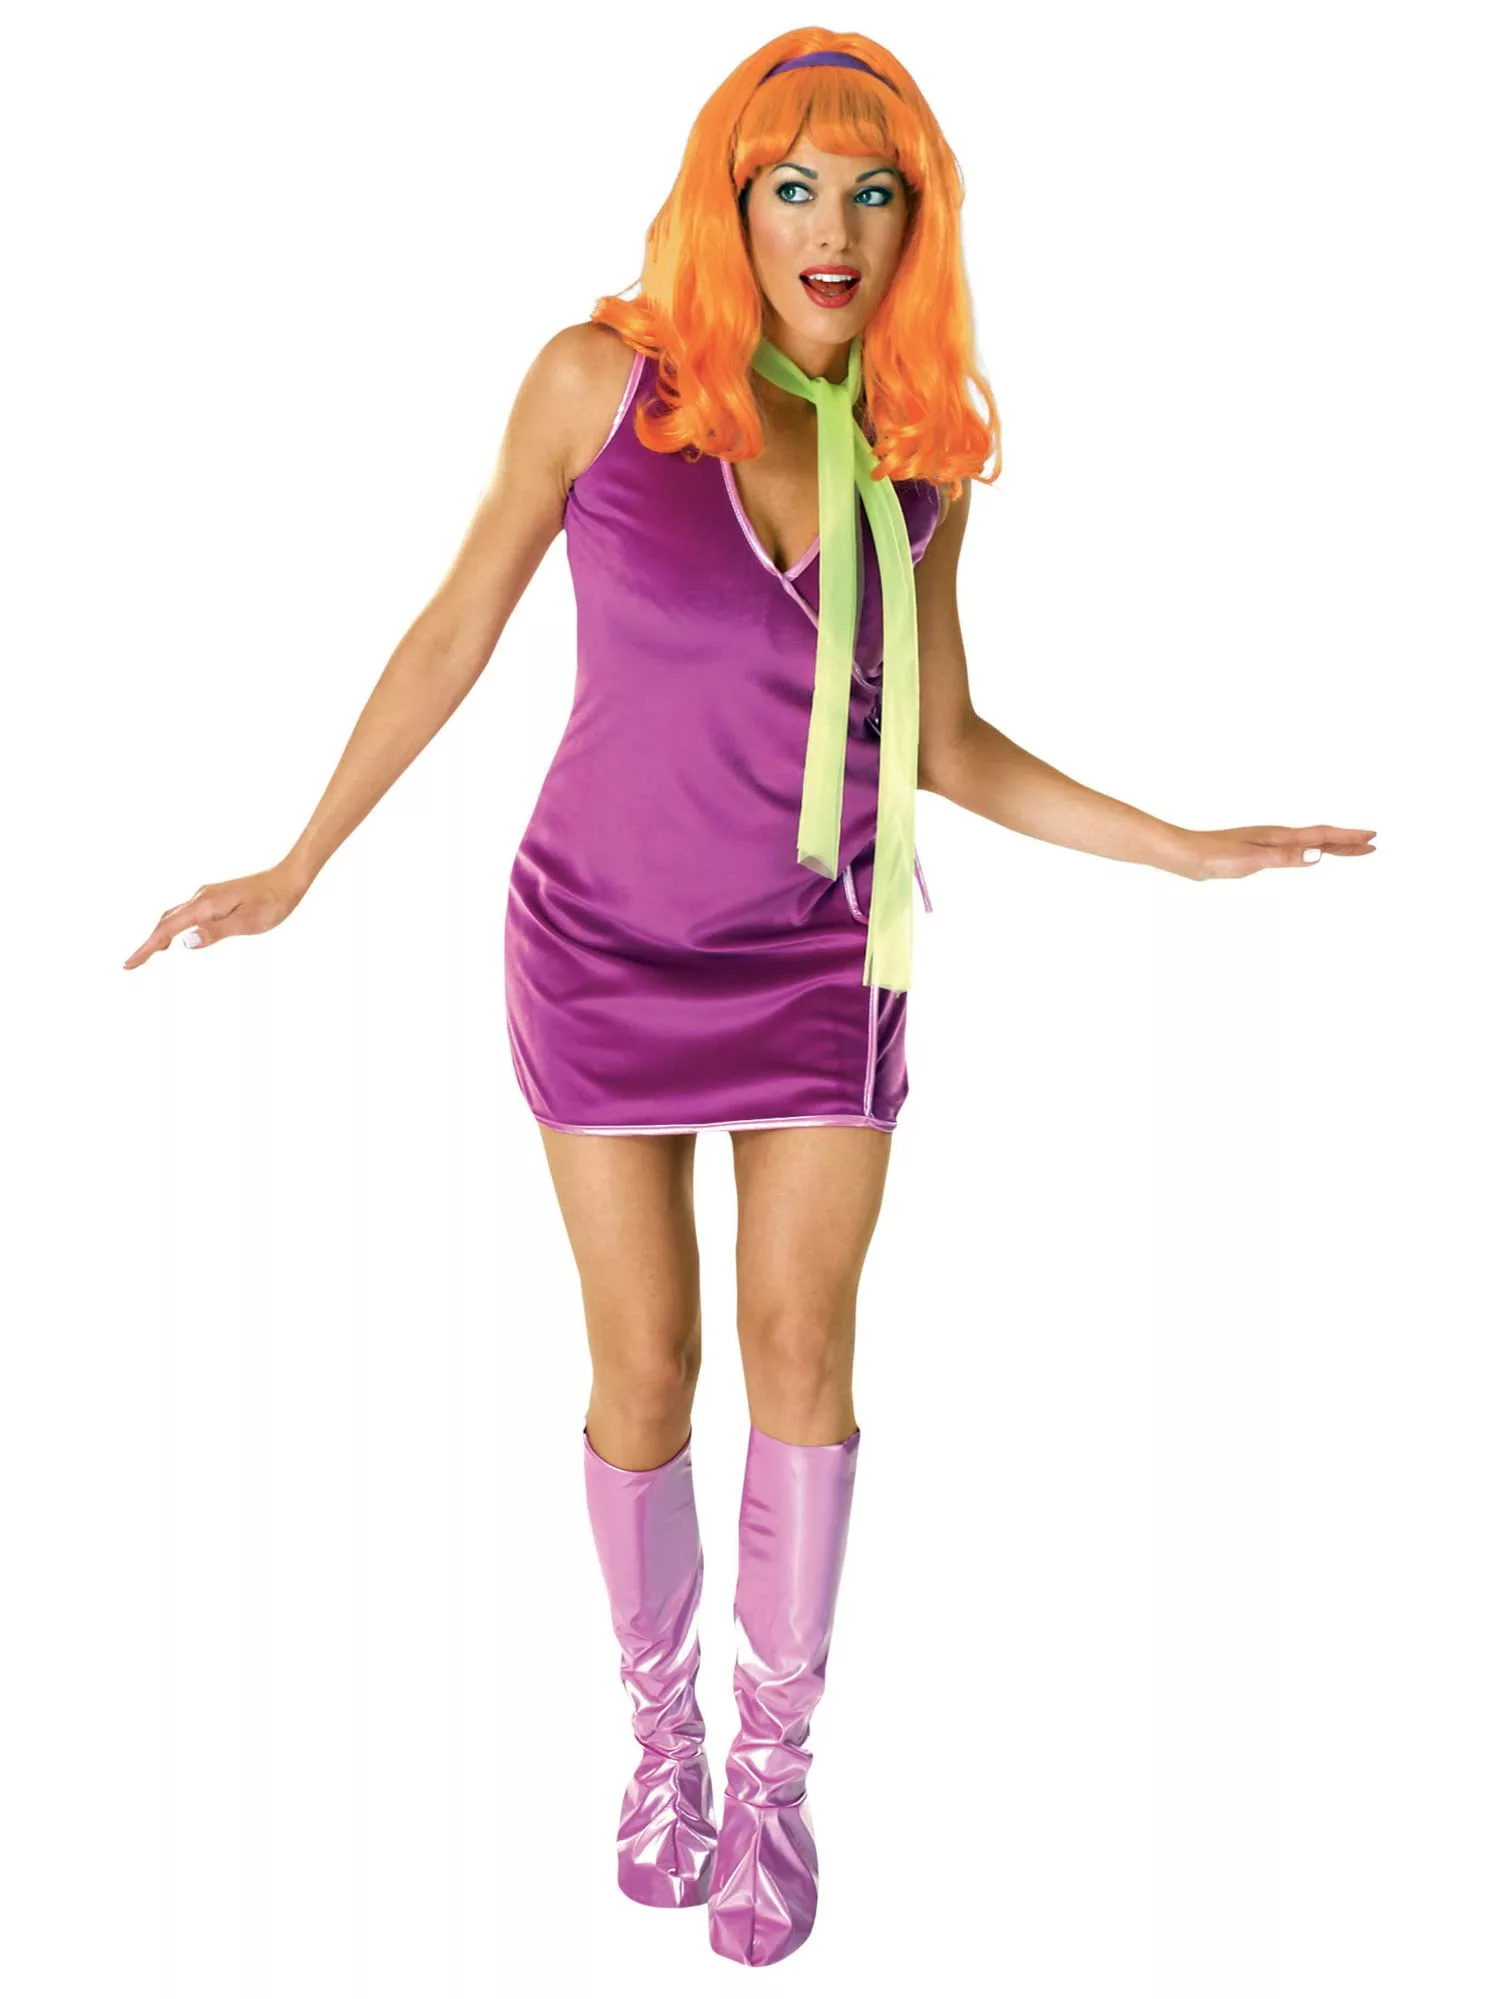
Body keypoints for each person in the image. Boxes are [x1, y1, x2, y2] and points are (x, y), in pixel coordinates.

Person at [122, 29, 1377, 1970]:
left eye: (875, 191)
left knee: (802, 1348)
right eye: (793, 184)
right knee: (645, 1370)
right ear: (732, 202)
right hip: (597, 942)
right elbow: (454, 628)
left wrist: (1183, 847)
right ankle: (663, 1746)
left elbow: (943, 739)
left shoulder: (922, 457)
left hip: (818, 961)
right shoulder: (597, 384)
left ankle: (776, 1781)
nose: (833, 225)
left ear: (917, 225)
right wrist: (299, 864)